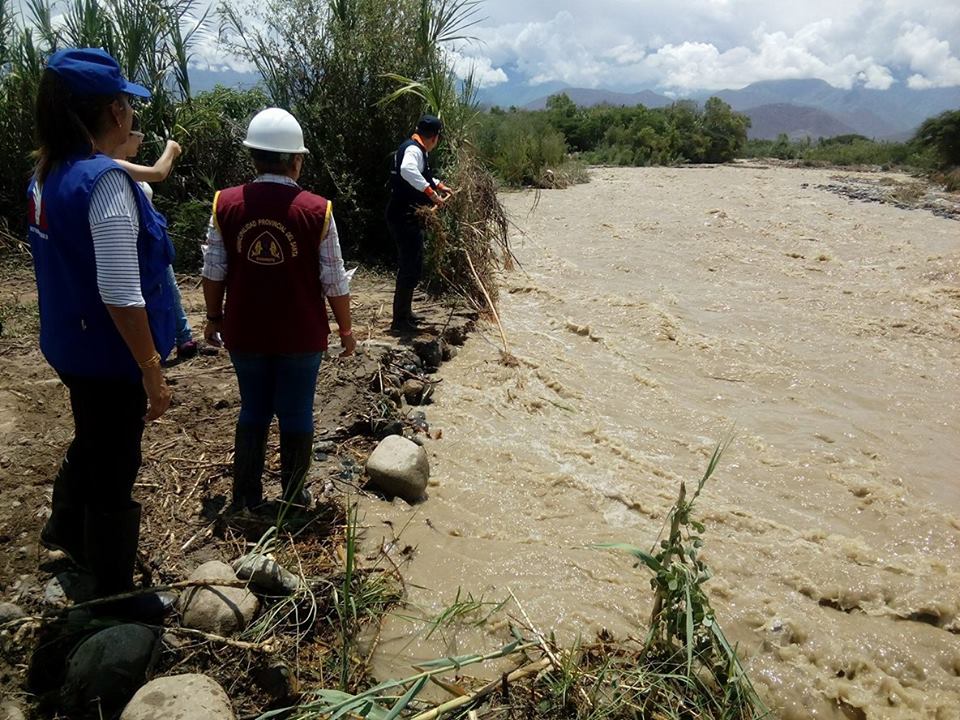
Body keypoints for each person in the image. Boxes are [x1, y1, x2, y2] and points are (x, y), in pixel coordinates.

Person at [28, 48, 175, 617]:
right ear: (115, 111)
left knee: (93, 434)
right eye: (129, 107)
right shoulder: (107, 186)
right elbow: (121, 292)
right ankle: (113, 591)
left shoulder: (47, 173)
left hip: (66, 341)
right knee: (117, 460)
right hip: (106, 353)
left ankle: (66, 528)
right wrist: (151, 370)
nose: (132, 117)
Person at [201, 107, 356, 513]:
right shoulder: (317, 210)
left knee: (253, 407)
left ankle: (246, 496)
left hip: (244, 331)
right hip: (300, 335)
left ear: (254, 156)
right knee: (297, 410)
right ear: (296, 160)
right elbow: (334, 279)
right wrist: (346, 331)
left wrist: (213, 318)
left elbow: (213, 270)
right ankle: (293, 497)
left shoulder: (226, 203)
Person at [113, 117, 198, 359]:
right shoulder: (113, 165)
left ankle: (182, 337)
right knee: (157, 294)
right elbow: (158, 173)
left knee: (169, 289)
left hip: (151, 240)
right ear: (125, 135)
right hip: (138, 246)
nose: (141, 141)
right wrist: (171, 148)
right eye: (138, 135)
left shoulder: (122, 164)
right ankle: (160, 346)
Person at [385, 114, 454, 333]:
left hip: (406, 216)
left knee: (413, 263)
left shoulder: (414, 148)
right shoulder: (414, 150)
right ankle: (399, 321)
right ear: (435, 138)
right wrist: (431, 194)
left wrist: (439, 185)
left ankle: (406, 313)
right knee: (409, 266)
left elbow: (421, 173)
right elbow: (408, 170)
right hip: (403, 216)